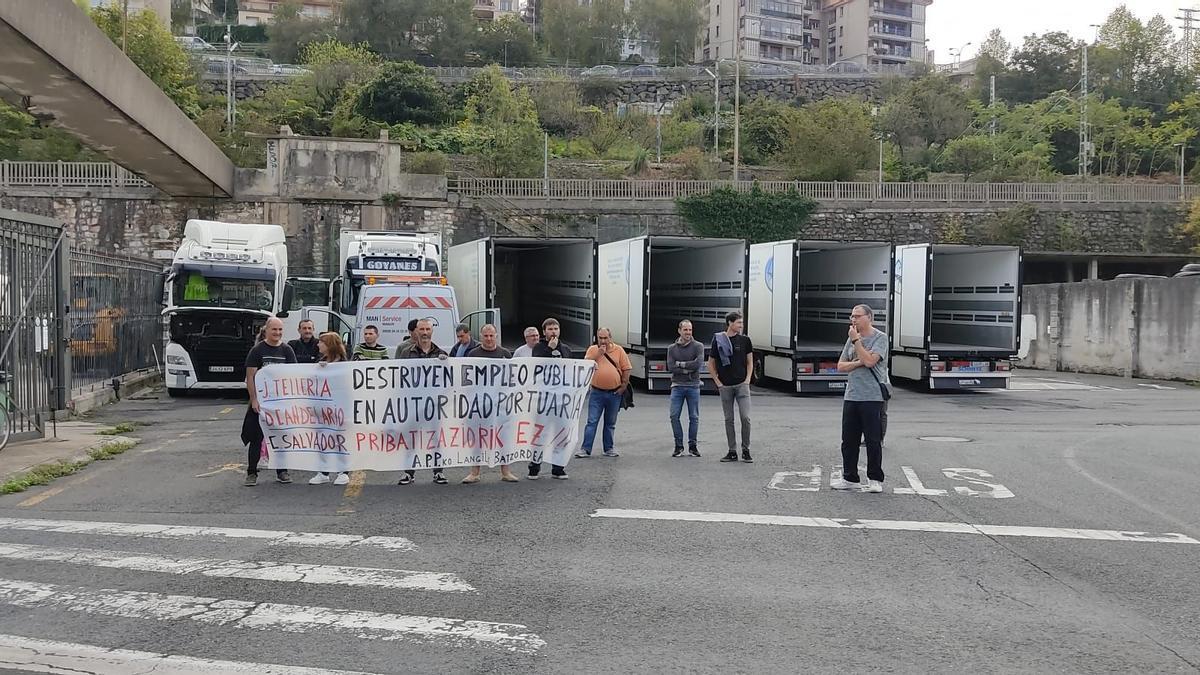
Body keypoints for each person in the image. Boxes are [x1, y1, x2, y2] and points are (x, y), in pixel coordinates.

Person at [832, 304, 890, 494]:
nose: (853, 320)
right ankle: (850, 477)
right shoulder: (851, 340)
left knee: (873, 440)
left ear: (869, 318)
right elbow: (840, 366)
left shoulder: (879, 339)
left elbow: (871, 361)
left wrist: (857, 341)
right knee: (848, 440)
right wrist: (858, 362)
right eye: (852, 316)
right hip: (852, 395)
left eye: (857, 316)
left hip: (872, 396)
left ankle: (875, 478)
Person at [242, 317, 296, 487]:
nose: (277, 333)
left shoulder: (287, 350)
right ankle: (252, 473)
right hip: (261, 403)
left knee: (281, 438)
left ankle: (282, 471)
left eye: (280, 330)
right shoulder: (257, 351)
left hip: (280, 403)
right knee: (256, 438)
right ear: (266, 330)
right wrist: (254, 400)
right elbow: (250, 377)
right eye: (274, 330)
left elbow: (294, 374)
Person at [463, 324, 519, 484]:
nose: (488, 338)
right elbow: (467, 379)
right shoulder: (473, 354)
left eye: (491, 335)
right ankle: (474, 472)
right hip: (479, 405)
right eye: (485, 336)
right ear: (481, 337)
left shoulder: (505, 354)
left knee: (503, 437)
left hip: (500, 405)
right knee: (477, 438)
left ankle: (506, 471)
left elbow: (512, 379)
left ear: (496, 336)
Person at [398, 319, 449, 486]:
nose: (425, 332)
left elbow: (448, 381)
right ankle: (409, 472)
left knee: (435, 439)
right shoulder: (406, 352)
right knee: (411, 438)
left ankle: (438, 472)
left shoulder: (441, 354)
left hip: (434, 406)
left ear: (432, 331)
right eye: (422, 329)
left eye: (428, 329)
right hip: (413, 404)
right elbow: (398, 377)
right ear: (416, 332)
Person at [528, 318, 572, 480]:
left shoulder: (566, 349)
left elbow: (572, 369)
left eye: (555, 329)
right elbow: (536, 365)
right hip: (543, 400)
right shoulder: (538, 348)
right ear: (544, 332)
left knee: (561, 434)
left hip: (562, 401)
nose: (553, 332)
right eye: (550, 329)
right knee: (540, 434)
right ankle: (534, 467)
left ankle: (558, 467)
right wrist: (549, 349)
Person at [577, 328, 631, 459]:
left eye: (605, 338)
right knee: (592, 421)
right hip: (597, 392)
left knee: (610, 423)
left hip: (614, 393)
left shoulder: (618, 350)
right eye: (600, 338)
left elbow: (627, 368)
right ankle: (585, 449)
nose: (603, 341)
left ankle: (609, 448)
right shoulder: (592, 350)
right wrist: (598, 354)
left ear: (610, 338)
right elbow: (585, 365)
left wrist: (623, 385)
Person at [708, 311, 753, 464]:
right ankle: (732, 451)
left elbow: (750, 362)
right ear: (730, 323)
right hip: (725, 386)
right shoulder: (718, 340)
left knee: (745, 417)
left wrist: (747, 380)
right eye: (739, 323)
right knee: (729, 419)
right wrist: (717, 382)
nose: (741, 325)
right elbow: (711, 363)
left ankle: (746, 449)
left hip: (742, 385)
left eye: (742, 323)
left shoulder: (745, 340)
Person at [309, 333, 351, 486]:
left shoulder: (344, 365)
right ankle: (324, 471)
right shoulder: (320, 362)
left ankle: (343, 471)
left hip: (339, 409)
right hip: (322, 409)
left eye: (321, 342)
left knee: (340, 440)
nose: (318, 345)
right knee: (322, 440)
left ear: (330, 345)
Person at [667, 319, 703, 457]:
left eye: (690, 330)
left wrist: (680, 365)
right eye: (685, 330)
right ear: (679, 331)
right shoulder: (672, 348)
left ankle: (693, 446)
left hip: (693, 386)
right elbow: (671, 367)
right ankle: (678, 446)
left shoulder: (698, 346)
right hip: (677, 386)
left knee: (694, 417)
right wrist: (688, 368)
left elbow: (698, 364)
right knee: (674, 416)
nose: (688, 332)